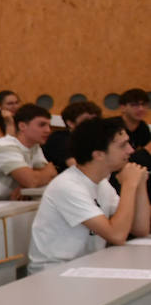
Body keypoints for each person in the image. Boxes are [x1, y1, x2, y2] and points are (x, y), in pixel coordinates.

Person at [28, 117, 149, 273]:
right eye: (123, 145)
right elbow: (117, 235)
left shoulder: (102, 184)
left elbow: (141, 229)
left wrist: (139, 185)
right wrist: (129, 185)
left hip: (87, 265)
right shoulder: (68, 186)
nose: (131, 151)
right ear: (98, 154)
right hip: (56, 271)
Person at [0, 103, 56, 199]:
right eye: (42, 125)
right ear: (22, 126)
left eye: (49, 125)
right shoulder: (6, 147)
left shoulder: (34, 146)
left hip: (3, 203)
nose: (48, 130)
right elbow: (34, 180)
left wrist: (25, 184)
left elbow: (52, 174)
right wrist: (32, 179)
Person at [46, 100, 100, 172]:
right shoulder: (59, 139)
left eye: (95, 120)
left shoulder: (97, 139)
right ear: (70, 123)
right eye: (86, 120)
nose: (92, 124)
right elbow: (78, 168)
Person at [117, 88, 151, 153]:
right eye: (135, 105)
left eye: (144, 104)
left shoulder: (142, 126)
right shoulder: (112, 127)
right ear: (122, 107)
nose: (141, 109)